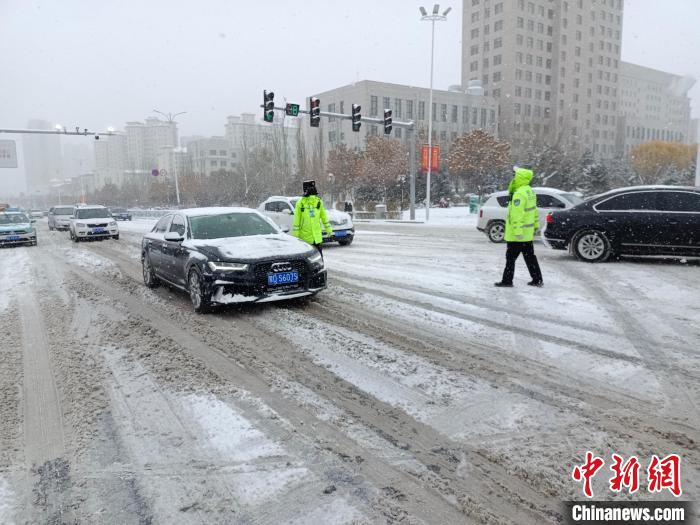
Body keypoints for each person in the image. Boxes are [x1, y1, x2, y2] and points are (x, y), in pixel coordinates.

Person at [494, 166, 544, 288]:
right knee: (530, 257)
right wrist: (535, 226)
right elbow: (534, 211)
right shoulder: (530, 191)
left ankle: (507, 281)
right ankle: (537, 279)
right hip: (526, 234)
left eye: (515, 176)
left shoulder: (519, 194)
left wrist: (517, 231)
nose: (513, 178)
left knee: (510, 258)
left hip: (517, 235)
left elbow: (517, 215)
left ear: (520, 178)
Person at [292, 180, 333, 257]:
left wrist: (329, 230)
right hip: (305, 239)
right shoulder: (300, 203)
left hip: (317, 238)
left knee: (316, 259)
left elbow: (324, 217)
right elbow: (296, 222)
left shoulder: (318, 202)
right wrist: (296, 238)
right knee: (313, 261)